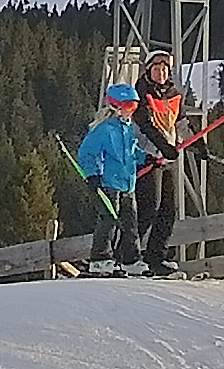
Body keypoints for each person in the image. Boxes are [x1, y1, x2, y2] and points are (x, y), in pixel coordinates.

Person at [132, 49, 192, 275]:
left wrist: (197, 144)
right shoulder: (141, 92)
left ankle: (156, 255)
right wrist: (163, 146)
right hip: (148, 156)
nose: (161, 73)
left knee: (169, 210)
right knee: (149, 208)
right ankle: (127, 254)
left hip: (167, 157)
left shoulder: (173, 93)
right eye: (157, 68)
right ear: (149, 70)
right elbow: (145, 124)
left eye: (165, 69)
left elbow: (182, 122)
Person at [73, 84, 142, 275]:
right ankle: (100, 258)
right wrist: (92, 174)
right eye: (129, 106)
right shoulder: (104, 129)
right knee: (108, 220)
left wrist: (146, 158)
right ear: (116, 106)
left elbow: (132, 152)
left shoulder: (128, 129)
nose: (132, 111)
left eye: (135, 106)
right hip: (109, 183)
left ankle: (130, 259)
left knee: (130, 222)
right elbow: (87, 153)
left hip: (128, 184)